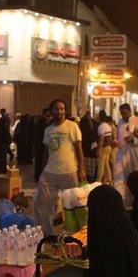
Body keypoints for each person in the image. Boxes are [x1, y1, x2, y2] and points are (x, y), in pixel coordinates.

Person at [36, 99, 85, 234]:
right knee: (44, 205)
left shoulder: (72, 126)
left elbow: (79, 149)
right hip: (50, 173)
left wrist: (82, 169)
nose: (59, 111)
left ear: (65, 111)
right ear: (51, 111)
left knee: (74, 206)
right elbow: (46, 152)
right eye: (56, 109)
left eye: (62, 109)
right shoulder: (48, 129)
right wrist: (42, 170)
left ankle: (76, 234)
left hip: (69, 172)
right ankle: (47, 234)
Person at [112, 103, 138, 206]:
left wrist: (132, 139)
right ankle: (120, 202)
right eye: (122, 114)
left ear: (130, 111)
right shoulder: (120, 122)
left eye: (125, 113)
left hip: (132, 154)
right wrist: (115, 141)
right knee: (119, 177)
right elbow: (118, 136)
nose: (124, 116)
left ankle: (134, 202)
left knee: (132, 178)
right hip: (120, 153)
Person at [33, 108, 52, 182]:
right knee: (40, 161)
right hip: (40, 145)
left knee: (39, 162)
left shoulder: (41, 121)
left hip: (39, 145)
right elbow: (42, 132)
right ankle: (39, 177)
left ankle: (38, 177)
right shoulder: (43, 121)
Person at [79, 110, 98, 182]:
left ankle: (87, 175)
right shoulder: (94, 123)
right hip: (92, 145)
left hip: (85, 145)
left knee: (86, 160)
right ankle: (91, 175)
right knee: (92, 162)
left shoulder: (83, 122)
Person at [95, 110, 114, 184]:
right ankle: (110, 180)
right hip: (109, 147)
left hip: (103, 148)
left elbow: (101, 139)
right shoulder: (108, 125)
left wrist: (98, 150)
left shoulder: (101, 126)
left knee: (100, 165)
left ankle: (98, 182)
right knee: (106, 164)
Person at [0, 111, 12, 176]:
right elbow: (9, 138)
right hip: (4, 146)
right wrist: (7, 144)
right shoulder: (5, 130)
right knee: (3, 159)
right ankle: (3, 170)